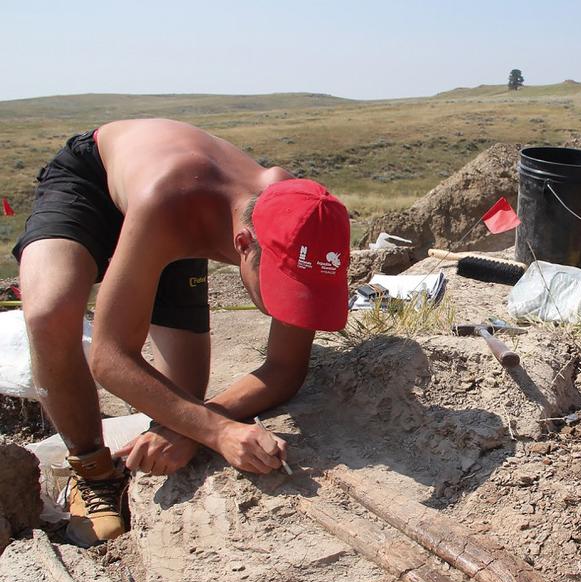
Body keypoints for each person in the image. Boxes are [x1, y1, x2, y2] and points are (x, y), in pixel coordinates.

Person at [13, 118, 351, 547]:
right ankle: (93, 471)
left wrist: (195, 423)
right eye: (280, 289)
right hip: (98, 181)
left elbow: (285, 367)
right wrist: (217, 432)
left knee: (180, 392)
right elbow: (110, 357)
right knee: (50, 312)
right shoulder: (172, 206)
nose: (285, 307)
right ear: (243, 244)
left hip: (185, 210)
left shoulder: (306, 218)